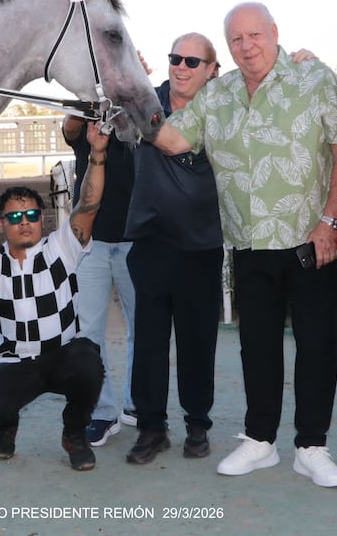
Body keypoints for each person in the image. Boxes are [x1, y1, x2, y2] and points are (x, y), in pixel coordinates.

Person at [148, 2, 337, 488]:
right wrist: (128, 110)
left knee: (317, 345)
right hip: (249, 242)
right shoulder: (217, 97)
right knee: (257, 346)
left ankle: (311, 446)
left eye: (255, 35)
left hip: (309, 239)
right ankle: (260, 441)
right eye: (236, 39)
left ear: (275, 34)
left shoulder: (315, 79)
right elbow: (173, 140)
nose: (247, 46)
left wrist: (329, 221)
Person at [0, 122, 111, 472]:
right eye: (14, 217)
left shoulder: (62, 247)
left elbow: (89, 205)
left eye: (31, 214)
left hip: (63, 356)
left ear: (42, 219)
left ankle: (74, 433)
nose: (24, 222)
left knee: (89, 362)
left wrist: (99, 155)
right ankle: (5, 424)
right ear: (1, 224)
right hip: (17, 362)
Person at [122, 34, 224, 465]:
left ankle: (197, 426)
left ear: (211, 70)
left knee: (198, 342)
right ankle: (151, 429)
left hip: (202, 246)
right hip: (152, 243)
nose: (181, 67)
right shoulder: (147, 99)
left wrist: (300, 61)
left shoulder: (223, 107)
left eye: (192, 61)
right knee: (148, 343)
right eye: (175, 58)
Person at [61, 113, 137, 447]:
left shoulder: (140, 101)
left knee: (143, 328)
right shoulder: (87, 109)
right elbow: (69, 130)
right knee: (88, 332)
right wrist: (89, 101)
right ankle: (103, 411)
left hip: (137, 239)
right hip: (91, 243)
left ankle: (136, 402)